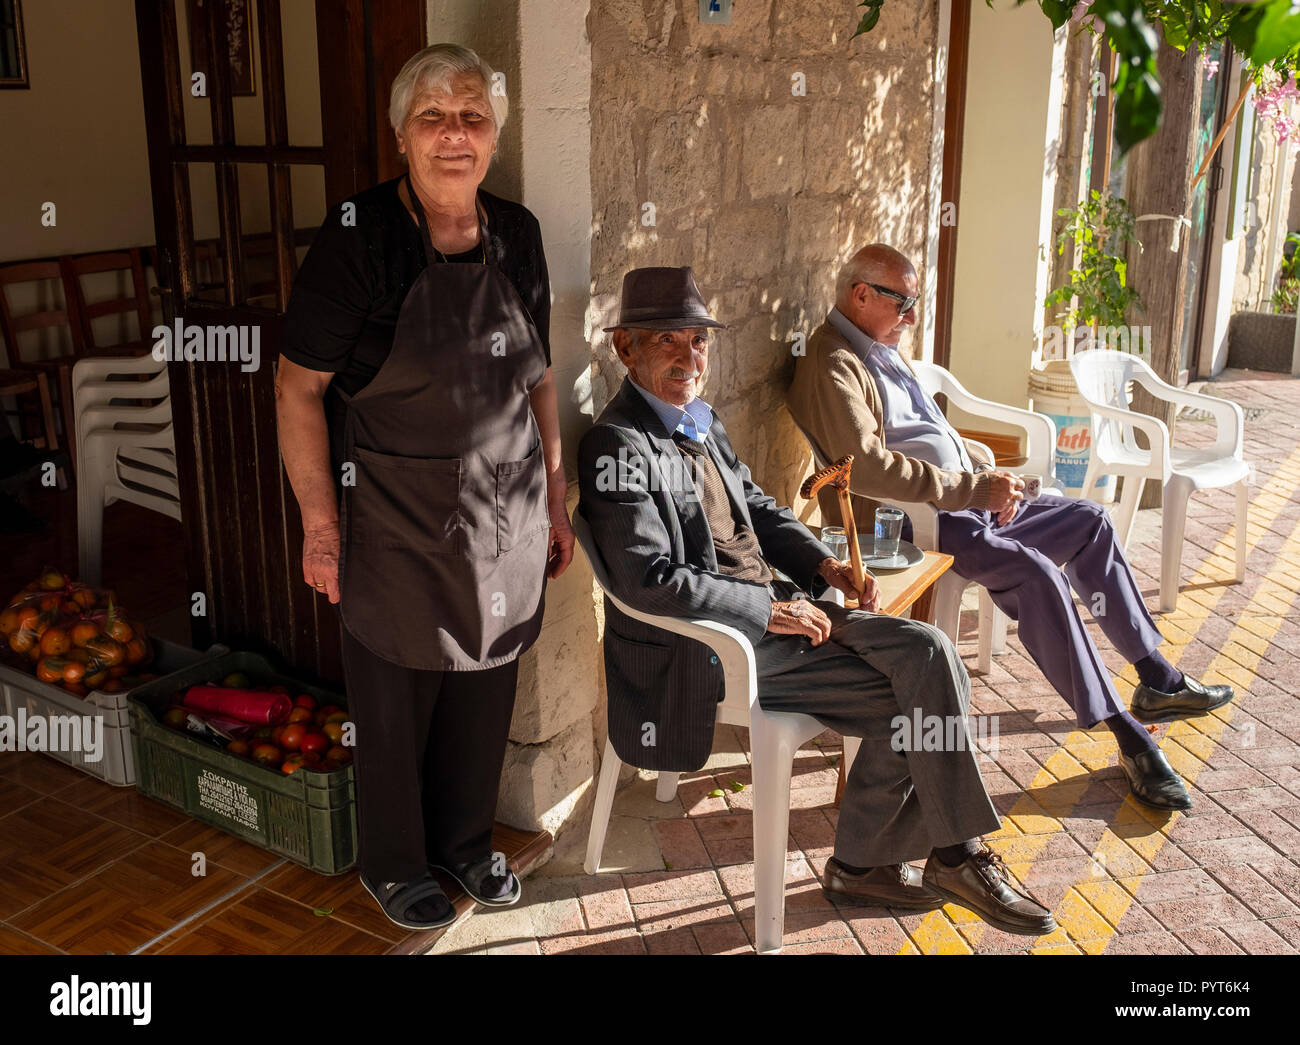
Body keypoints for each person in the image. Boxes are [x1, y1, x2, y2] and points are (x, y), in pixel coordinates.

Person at [578, 266, 1057, 936]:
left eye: (699, 342)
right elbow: (647, 578)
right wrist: (770, 610)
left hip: (779, 613)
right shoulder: (618, 443)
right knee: (919, 690)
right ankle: (933, 856)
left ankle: (888, 863)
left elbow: (762, 511)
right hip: (718, 645)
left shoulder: (701, 420)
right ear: (626, 348)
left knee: (928, 654)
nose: (689, 358)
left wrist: (824, 563)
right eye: (668, 342)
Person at [276, 44, 574, 930]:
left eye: (472, 116)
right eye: (434, 116)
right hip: (393, 507)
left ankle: (466, 839)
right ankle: (396, 859)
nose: (455, 134)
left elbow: (541, 379)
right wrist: (320, 526)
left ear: (494, 135)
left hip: (506, 504)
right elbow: (297, 386)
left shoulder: (516, 232)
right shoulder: (358, 236)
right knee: (396, 692)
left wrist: (555, 496)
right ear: (402, 134)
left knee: (487, 681)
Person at [787, 243, 1235, 814]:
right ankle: (1126, 732)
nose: (913, 317)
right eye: (904, 304)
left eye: (916, 303)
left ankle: (1157, 678)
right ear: (860, 295)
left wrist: (985, 474)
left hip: (963, 500)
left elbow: (928, 432)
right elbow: (868, 468)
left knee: (1090, 521)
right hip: (918, 523)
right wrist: (975, 489)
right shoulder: (832, 361)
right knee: (1036, 573)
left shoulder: (880, 347)